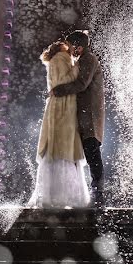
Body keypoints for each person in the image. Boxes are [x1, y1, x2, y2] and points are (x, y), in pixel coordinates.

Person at [28, 41, 90, 208]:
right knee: (64, 149)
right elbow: (63, 81)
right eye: (67, 46)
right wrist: (77, 66)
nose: (70, 48)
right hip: (63, 108)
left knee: (59, 149)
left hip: (59, 107)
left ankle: (52, 195)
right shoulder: (61, 58)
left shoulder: (55, 60)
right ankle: (64, 197)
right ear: (61, 48)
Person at [51, 30, 106, 207]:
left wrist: (58, 91)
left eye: (71, 47)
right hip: (84, 117)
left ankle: (98, 196)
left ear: (79, 47)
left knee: (92, 156)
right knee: (85, 157)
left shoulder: (88, 59)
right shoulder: (83, 60)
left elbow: (82, 84)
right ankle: (85, 194)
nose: (69, 50)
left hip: (89, 117)